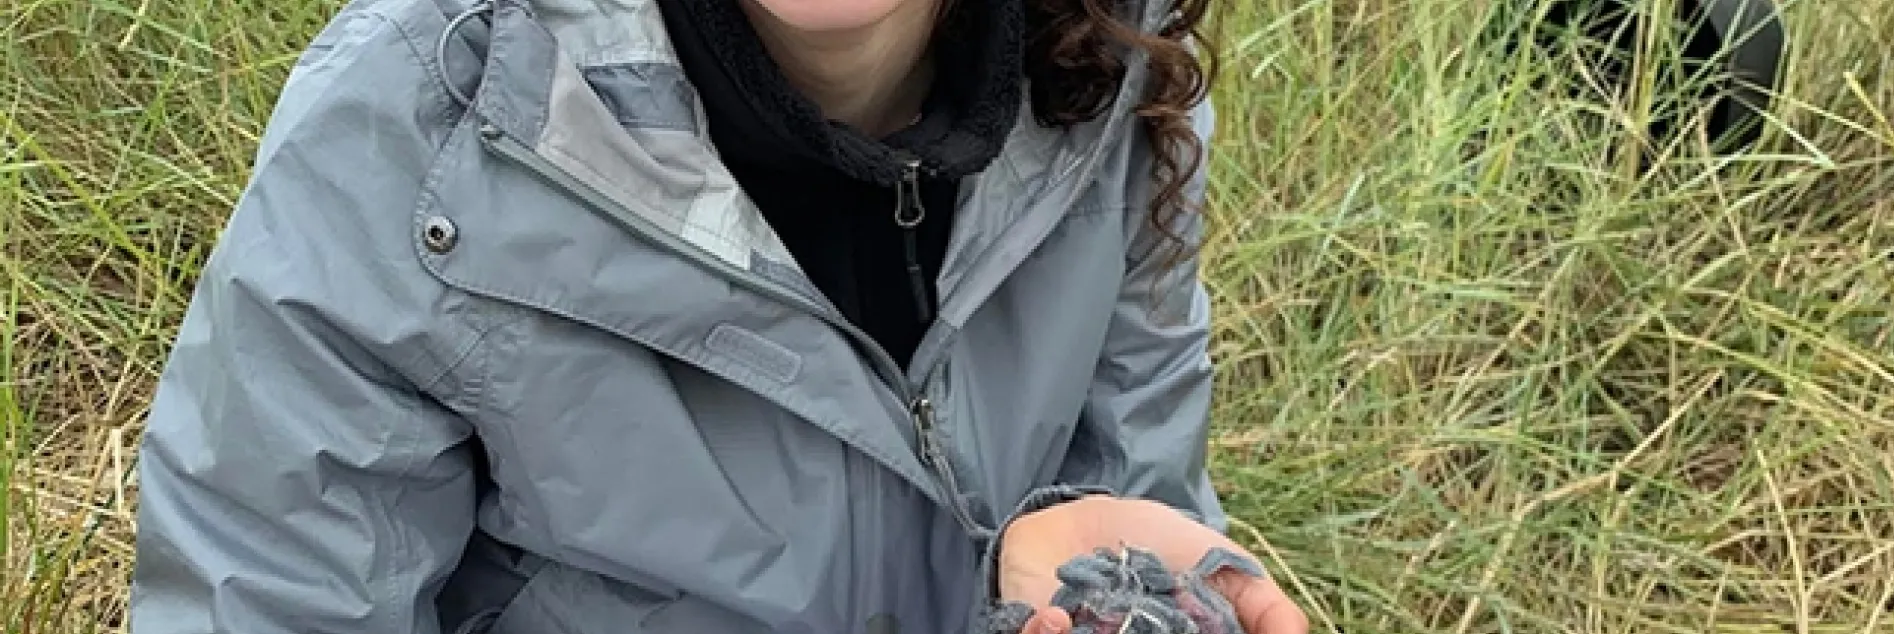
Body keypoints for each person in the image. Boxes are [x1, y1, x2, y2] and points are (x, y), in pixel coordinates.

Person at [126, 0, 1311, 631]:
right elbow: (270, 595)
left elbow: (1141, 496)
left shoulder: (1118, 68)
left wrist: (1100, 569)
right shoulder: (414, 124)